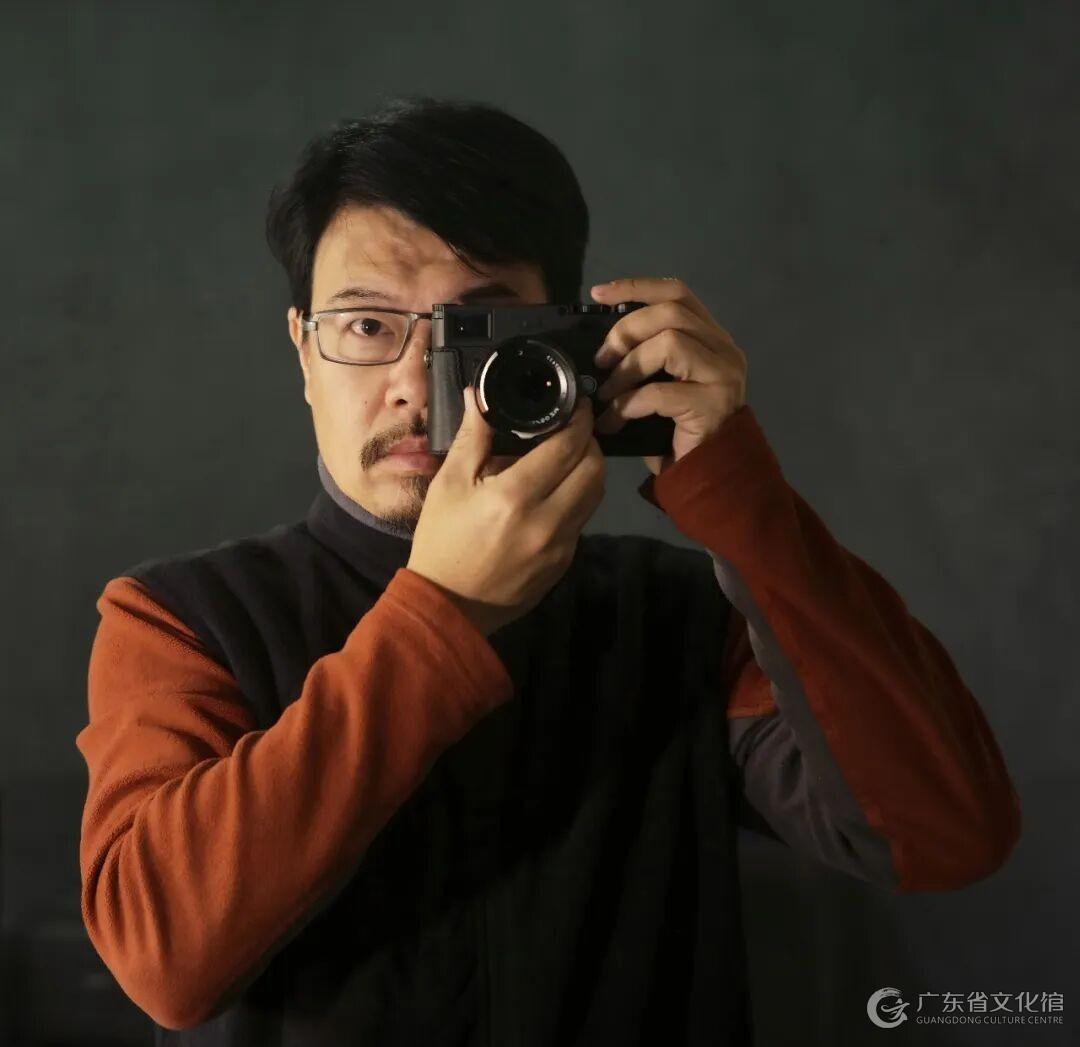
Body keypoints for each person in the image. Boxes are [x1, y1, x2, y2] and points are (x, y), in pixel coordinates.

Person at [75, 96, 1021, 1045]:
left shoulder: (677, 615)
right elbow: (164, 956)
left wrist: (738, 491)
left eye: (475, 330)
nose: (414, 383)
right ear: (303, 354)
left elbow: (943, 834)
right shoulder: (180, 618)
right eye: (365, 327)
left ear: (565, 342)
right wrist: (445, 611)